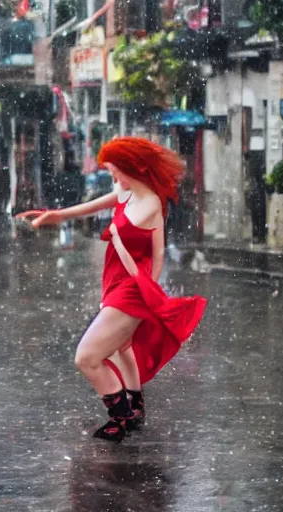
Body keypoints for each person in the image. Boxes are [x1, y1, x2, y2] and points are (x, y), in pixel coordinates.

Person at [17, 137, 207, 443]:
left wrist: (147, 289)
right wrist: (59, 215)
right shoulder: (127, 192)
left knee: (86, 357)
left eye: (114, 170)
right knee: (122, 347)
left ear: (131, 169)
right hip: (116, 281)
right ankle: (134, 404)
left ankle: (121, 416)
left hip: (131, 288)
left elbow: (157, 254)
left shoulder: (150, 205)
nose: (113, 177)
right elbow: (100, 204)